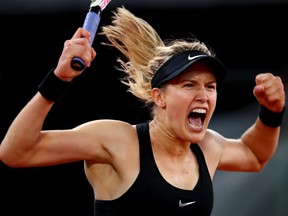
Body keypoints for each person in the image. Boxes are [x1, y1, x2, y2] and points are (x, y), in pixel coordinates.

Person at [0, 6, 285, 216]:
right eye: (189, 85)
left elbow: (254, 154)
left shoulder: (208, 147)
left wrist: (271, 113)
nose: (203, 95)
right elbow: (17, 152)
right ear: (159, 97)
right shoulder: (117, 141)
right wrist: (58, 80)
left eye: (210, 87)